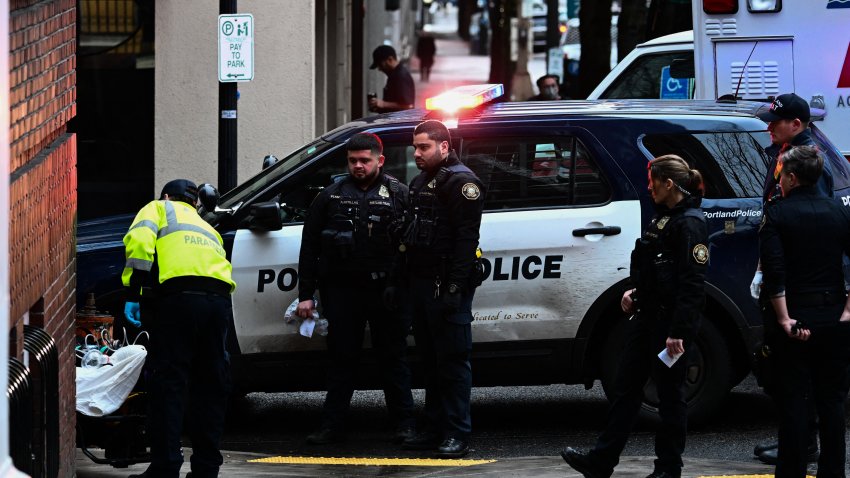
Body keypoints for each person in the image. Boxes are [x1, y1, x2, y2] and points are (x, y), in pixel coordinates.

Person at [561, 155, 708, 478]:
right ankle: (601, 462)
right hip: (646, 319)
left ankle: (668, 468)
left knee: (670, 399)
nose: (649, 187)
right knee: (625, 389)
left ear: (669, 184)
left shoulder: (690, 224)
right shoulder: (664, 219)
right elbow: (652, 268)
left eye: (653, 181)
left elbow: (692, 284)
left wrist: (678, 332)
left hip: (670, 325)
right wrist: (634, 292)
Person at [296, 132, 416, 445]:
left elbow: (413, 247)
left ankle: (405, 425)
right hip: (342, 292)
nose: (358, 166)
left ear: (380, 160)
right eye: (353, 161)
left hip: (387, 292)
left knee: (394, 359)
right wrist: (305, 295)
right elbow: (309, 248)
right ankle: (331, 426)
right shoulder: (331, 196)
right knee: (341, 360)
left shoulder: (398, 193)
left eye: (365, 160)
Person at [123, 179, 236, 478]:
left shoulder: (158, 208)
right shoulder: (205, 227)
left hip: (179, 301)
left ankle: (165, 466)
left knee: (168, 383)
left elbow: (140, 243)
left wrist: (135, 293)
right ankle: (207, 467)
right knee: (210, 385)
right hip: (218, 302)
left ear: (166, 195)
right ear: (195, 203)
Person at [758, 145, 850, 478]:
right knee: (832, 402)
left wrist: (783, 318)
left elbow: (774, 270)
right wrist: (847, 311)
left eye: (780, 174)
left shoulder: (778, 214)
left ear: (793, 178)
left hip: (796, 317)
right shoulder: (840, 212)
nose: (778, 180)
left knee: (794, 401)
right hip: (834, 314)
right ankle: (833, 472)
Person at [750, 92, 830, 465]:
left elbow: (816, 221)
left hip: (802, 281)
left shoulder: (808, 160)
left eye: (775, 121)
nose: (768, 126)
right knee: (785, 367)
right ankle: (797, 442)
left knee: (799, 366)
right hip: (789, 272)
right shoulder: (785, 154)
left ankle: (803, 445)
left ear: (796, 125)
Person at [399, 120, 485, 458]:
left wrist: (453, 288)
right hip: (422, 283)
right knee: (430, 362)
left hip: (447, 283)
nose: (417, 153)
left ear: (445, 146)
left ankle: (457, 433)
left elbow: (467, 242)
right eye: (415, 147)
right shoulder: (423, 180)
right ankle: (433, 428)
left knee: (452, 362)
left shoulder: (462, 182)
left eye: (424, 147)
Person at [368, 45, 415, 113]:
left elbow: (408, 105)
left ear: (390, 59)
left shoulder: (401, 76)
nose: (379, 69)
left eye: (381, 65)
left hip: (400, 122)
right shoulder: (394, 75)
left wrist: (383, 104)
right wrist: (378, 107)